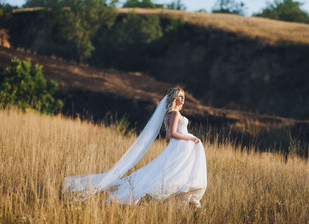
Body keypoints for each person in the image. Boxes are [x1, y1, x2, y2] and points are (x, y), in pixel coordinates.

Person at [63, 88, 207, 208]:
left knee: (166, 173)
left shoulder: (173, 113)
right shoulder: (175, 113)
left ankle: (184, 200)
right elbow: (172, 134)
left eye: (183, 96)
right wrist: (191, 138)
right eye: (180, 96)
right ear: (174, 98)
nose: (183, 98)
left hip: (180, 149)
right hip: (179, 147)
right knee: (162, 173)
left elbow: (169, 135)